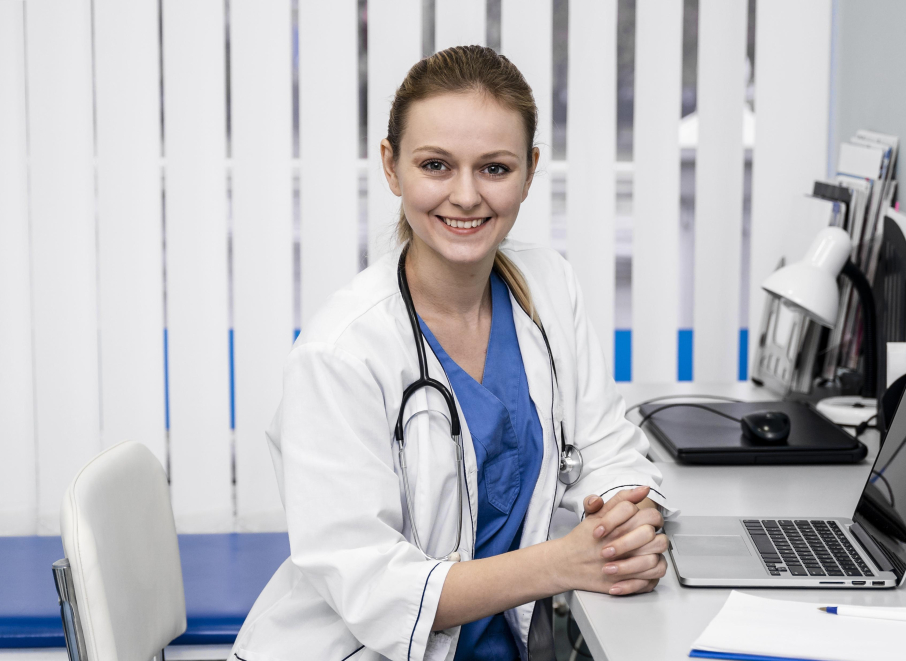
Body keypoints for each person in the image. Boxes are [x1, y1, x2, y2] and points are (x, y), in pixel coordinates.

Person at [230, 45, 674, 661]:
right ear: (392, 167)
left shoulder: (549, 287)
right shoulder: (341, 354)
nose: (466, 196)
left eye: (494, 168)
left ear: (530, 169)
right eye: (436, 165)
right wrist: (564, 564)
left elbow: (607, 446)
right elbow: (375, 587)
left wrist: (627, 519)